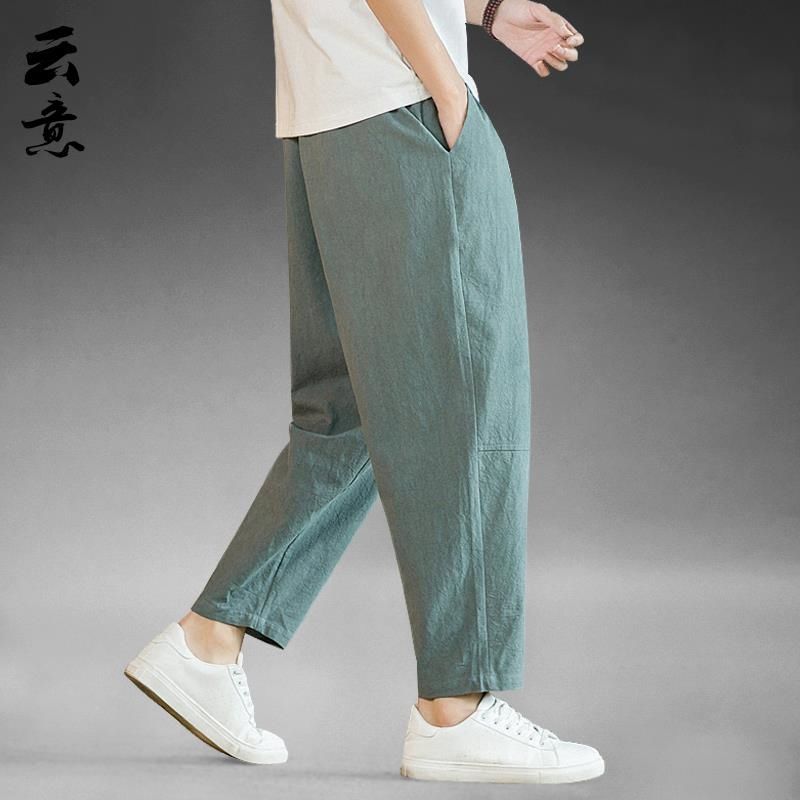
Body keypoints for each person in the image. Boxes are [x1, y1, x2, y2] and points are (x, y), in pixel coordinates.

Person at [124, 0, 603, 784]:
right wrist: (447, 88)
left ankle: (209, 640)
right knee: (467, 399)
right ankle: (457, 708)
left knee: (349, 413)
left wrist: (482, 11)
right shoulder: (422, 96)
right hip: (400, 107)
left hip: (328, 118)